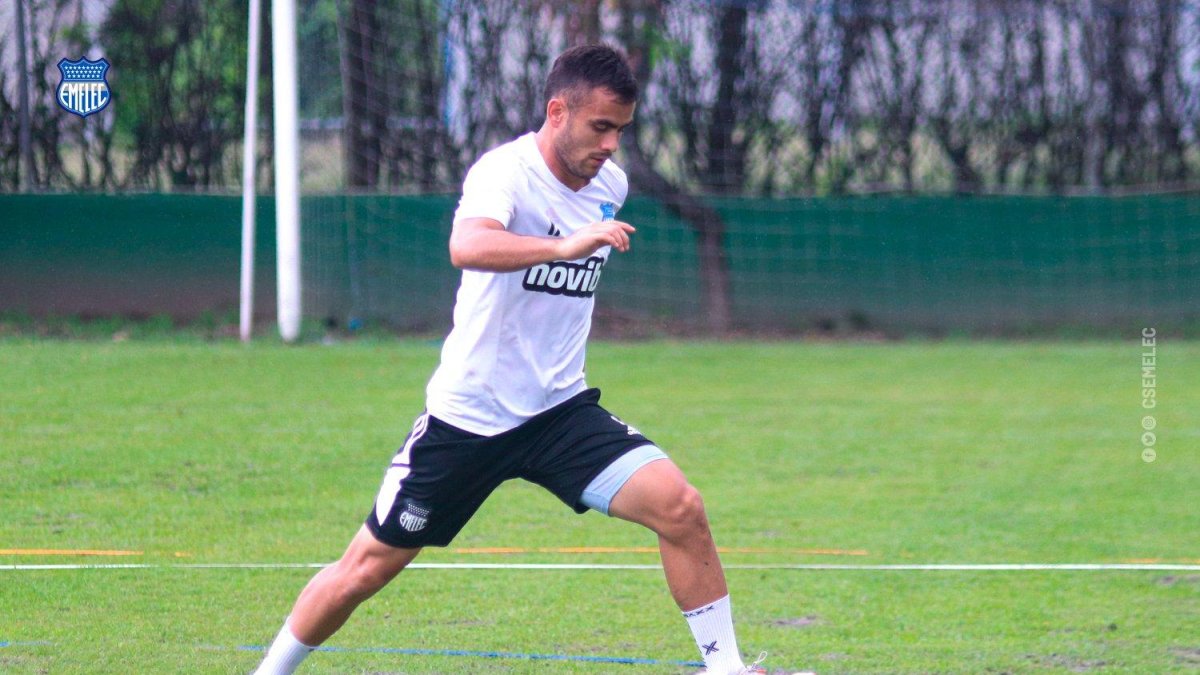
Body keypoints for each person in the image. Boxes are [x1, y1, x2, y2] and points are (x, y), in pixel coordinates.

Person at [254, 44, 793, 675]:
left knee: (681, 508)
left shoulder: (609, 185)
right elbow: (467, 243)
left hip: (560, 414)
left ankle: (725, 669)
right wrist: (562, 246)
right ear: (557, 111)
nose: (612, 145)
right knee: (364, 570)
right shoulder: (502, 172)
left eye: (621, 129)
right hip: (469, 418)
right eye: (601, 127)